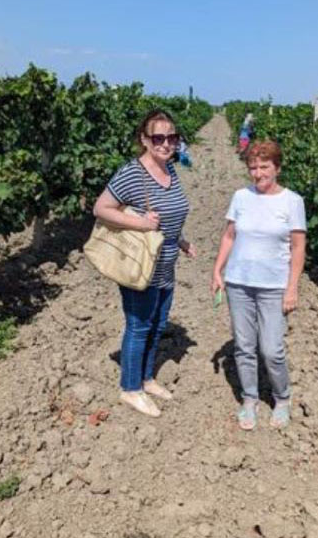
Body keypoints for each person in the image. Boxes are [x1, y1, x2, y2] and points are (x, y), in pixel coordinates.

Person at [93, 109, 196, 417]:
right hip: (141, 267)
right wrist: (140, 223)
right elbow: (101, 208)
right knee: (139, 326)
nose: (166, 143)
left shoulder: (170, 169)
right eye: (158, 137)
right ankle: (130, 388)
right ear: (145, 140)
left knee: (158, 324)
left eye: (172, 137)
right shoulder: (132, 174)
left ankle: (147, 378)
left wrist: (180, 240)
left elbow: (170, 213)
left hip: (166, 264)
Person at [211, 140, 306, 430]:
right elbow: (229, 236)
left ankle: (282, 398)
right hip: (239, 283)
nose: (258, 173)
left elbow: (298, 247)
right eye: (253, 167)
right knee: (244, 346)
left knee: (272, 350)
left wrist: (292, 288)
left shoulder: (292, 201)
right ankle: (249, 399)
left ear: (277, 168)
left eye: (264, 167)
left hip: (273, 286)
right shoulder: (241, 197)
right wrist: (217, 270)